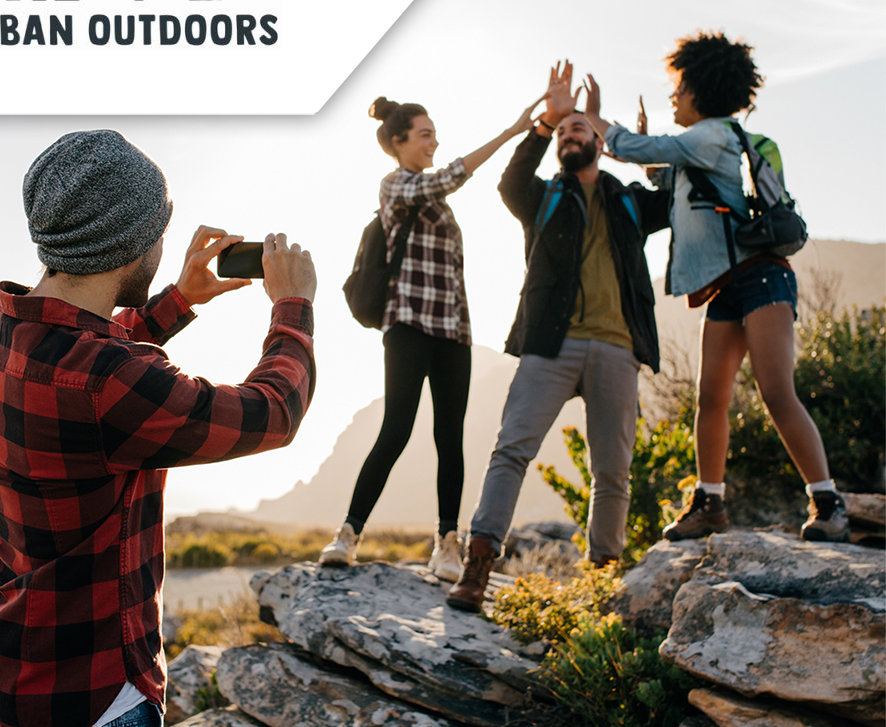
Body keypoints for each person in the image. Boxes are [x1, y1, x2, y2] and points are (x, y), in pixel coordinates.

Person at [0, 129, 317, 727]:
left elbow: (87, 357)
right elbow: (274, 413)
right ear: (131, 246)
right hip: (95, 704)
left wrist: (179, 300)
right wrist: (293, 305)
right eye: (158, 232)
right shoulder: (110, 381)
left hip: (13, 670)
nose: (161, 246)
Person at [594, 31, 848, 543]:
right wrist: (651, 157)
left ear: (701, 90)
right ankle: (709, 503)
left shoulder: (712, 134)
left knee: (776, 392)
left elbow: (652, 149)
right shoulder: (703, 146)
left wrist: (603, 124)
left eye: (679, 88)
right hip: (729, 286)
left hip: (762, 278)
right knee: (711, 398)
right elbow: (674, 183)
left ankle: (828, 503)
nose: (672, 98)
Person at [446, 63, 670, 611]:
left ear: (599, 139)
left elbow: (675, 197)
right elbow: (508, 183)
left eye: (580, 129)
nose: (570, 135)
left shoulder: (629, 201)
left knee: (612, 472)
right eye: (564, 132)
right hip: (549, 343)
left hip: (619, 348)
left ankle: (601, 580)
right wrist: (543, 125)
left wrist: (631, 147)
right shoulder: (543, 196)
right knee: (511, 451)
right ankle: (478, 566)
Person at [319, 94, 543, 580]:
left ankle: (447, 545)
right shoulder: (396, 185)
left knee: (450, 436)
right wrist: (511, 132)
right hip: (407, 324)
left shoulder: (436, 202)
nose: (434, 141)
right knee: (395, 429)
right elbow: (452, 177)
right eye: (425, 134)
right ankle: (348, 535)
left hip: (453, 330)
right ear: (399, 142)